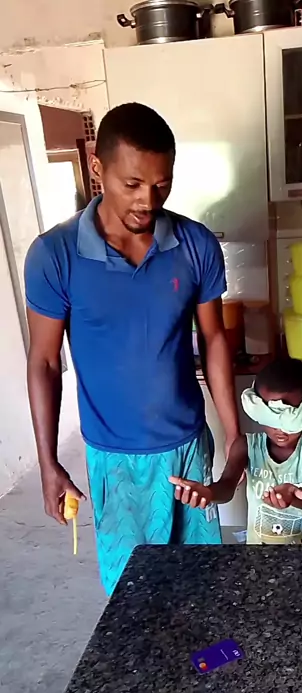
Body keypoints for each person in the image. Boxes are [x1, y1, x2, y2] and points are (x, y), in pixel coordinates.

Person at [25, 102, 240, 595]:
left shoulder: (195, 244)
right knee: (132, 597)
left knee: (201, 586)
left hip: (187, 448)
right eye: (133, 184)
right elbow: (45, 362)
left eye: (162, 185)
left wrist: (234, 435)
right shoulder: (54, 255)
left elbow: (214, 338)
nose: (148, 200)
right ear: (97, 169)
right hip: (114, 460)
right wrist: (48, 462)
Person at [170, 358, 302, 544]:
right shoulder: (246, 445)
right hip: (258, 553)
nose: (279, 429)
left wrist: (292, 496)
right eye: (270, 418)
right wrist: (208, 492)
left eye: (290, 416)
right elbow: (227, 487)